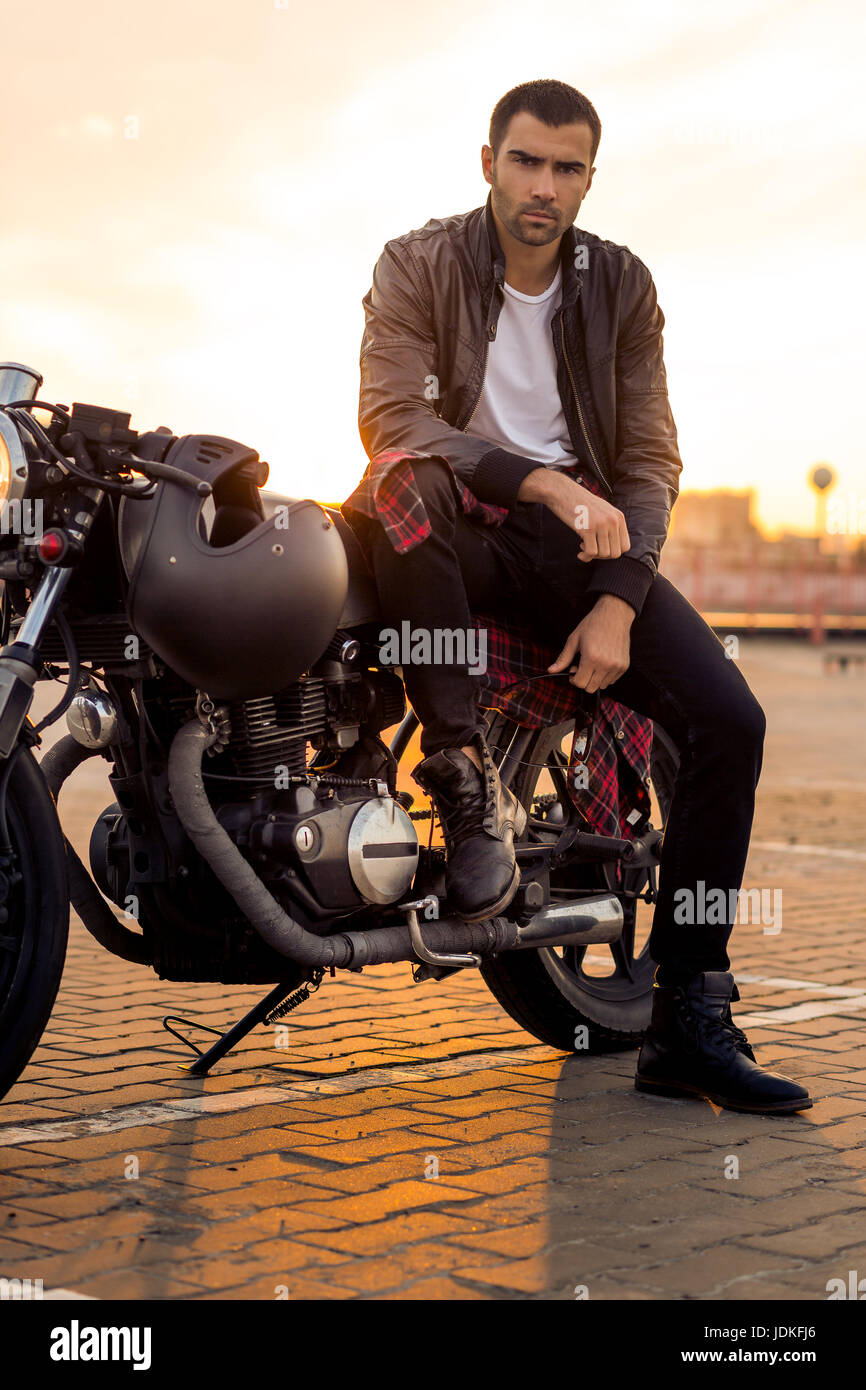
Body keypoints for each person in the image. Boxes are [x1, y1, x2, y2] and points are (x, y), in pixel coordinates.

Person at [344, 78, 810, 1115]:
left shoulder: (622, 288)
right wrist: (537, 478)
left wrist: (618, 598)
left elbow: (645, 461)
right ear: (486, 164)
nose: (543, 187)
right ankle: (458, 780)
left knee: (729, 717)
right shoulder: (415, 263)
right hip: (452, 529)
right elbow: (392, 422)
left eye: (566, 169)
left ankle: (687, 1013)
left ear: (588, 180)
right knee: (403, 486)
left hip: (578, 550)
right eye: (525, 161)